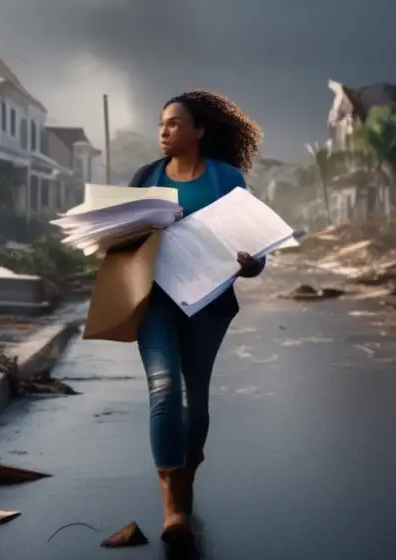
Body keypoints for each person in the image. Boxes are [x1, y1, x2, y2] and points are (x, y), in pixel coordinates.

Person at [128, 89, 265, 542]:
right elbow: (121, 241)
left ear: (199, 131)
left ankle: (188, 471)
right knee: (164, 389)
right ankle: (173, 503)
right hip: (155, 303)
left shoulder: (227, 179)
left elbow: (256, 250)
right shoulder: (145, 177)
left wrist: (251, 263)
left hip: (209, 304)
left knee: (196, 400)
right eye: (161, 123)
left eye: (174, 123)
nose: (164, 131)